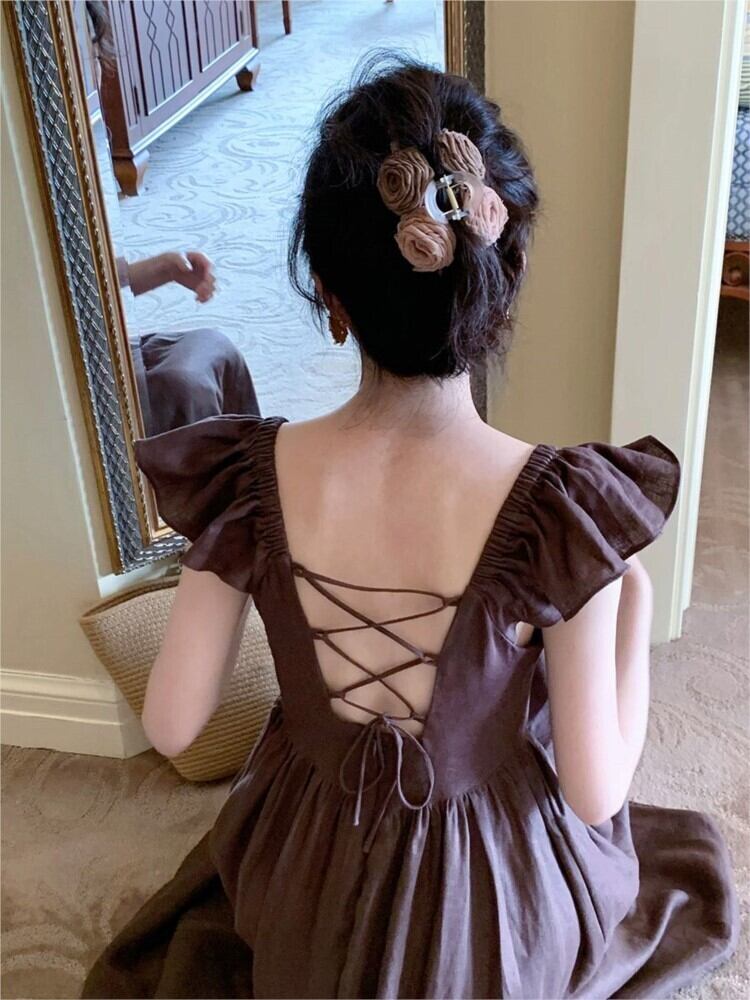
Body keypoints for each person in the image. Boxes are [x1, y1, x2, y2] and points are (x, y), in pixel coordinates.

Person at [82, 56, 738, 999]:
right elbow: (596, 792)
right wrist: (628, 609)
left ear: (329, 298)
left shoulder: (246, 480)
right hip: (488, 928)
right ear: (501, 286)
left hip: (304, 896)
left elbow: (175, 723)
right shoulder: (561, 512)